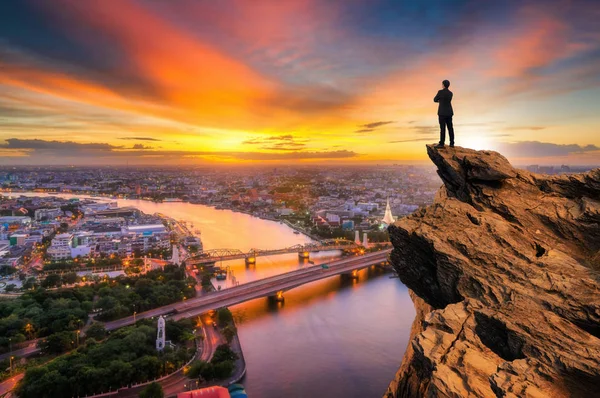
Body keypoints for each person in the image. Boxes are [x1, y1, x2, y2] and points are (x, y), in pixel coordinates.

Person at [434, 80, 454, 148]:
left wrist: (440, 101)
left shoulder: (440, 92)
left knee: (442, 128)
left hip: (442, 112)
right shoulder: (451, 93)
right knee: (450, 128)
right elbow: (448, 100)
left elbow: (435, 99)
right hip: (449, 112)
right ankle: (452, 143)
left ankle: (442, 143)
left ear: (443, 84)